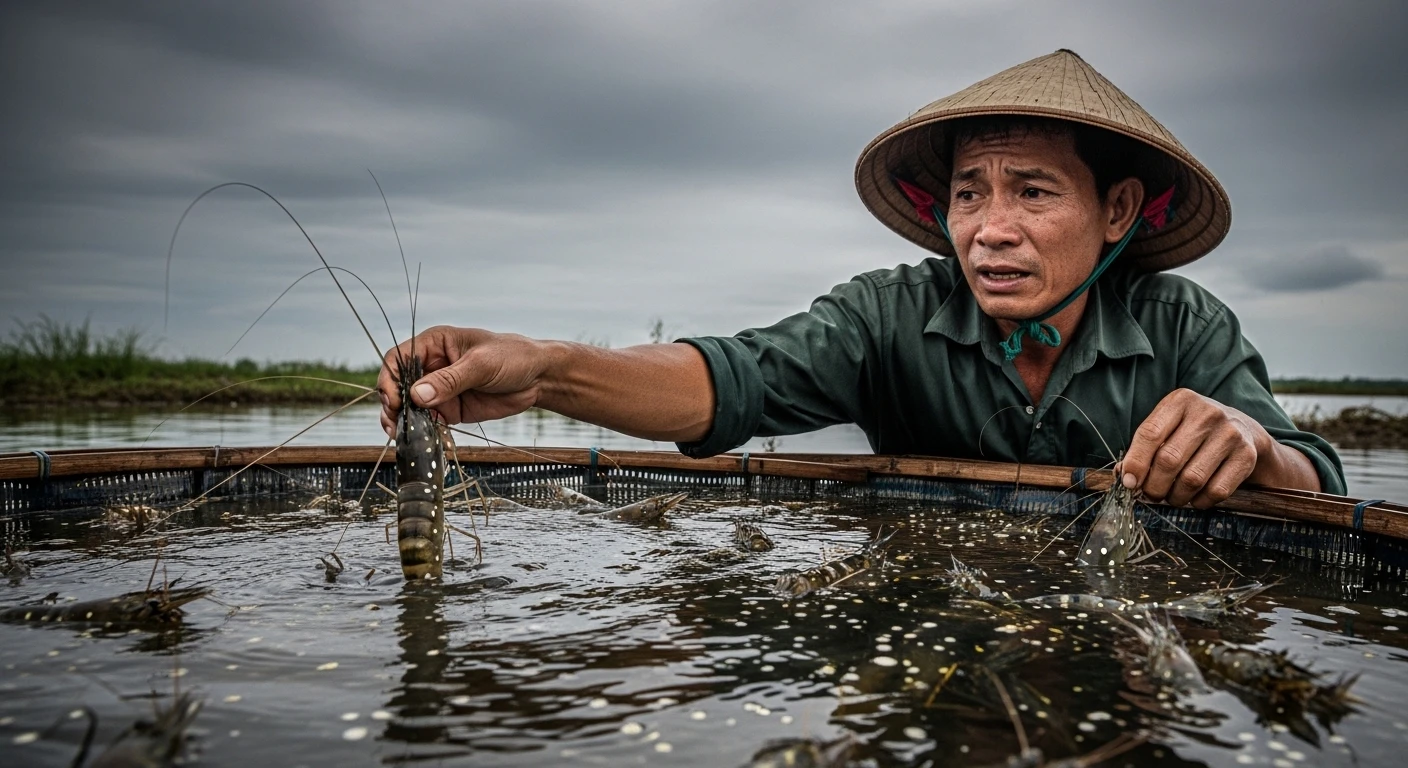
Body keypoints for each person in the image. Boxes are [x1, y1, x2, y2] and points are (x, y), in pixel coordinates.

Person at [378, 49, 1345, 508]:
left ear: (1120, 212)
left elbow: (1317, 479)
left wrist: (1253, 444)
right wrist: (544, 369)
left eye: (1034, 193)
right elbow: (731, 379)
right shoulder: (886, 315)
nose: (990, 231)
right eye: (970, 194)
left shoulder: (1184, 326)